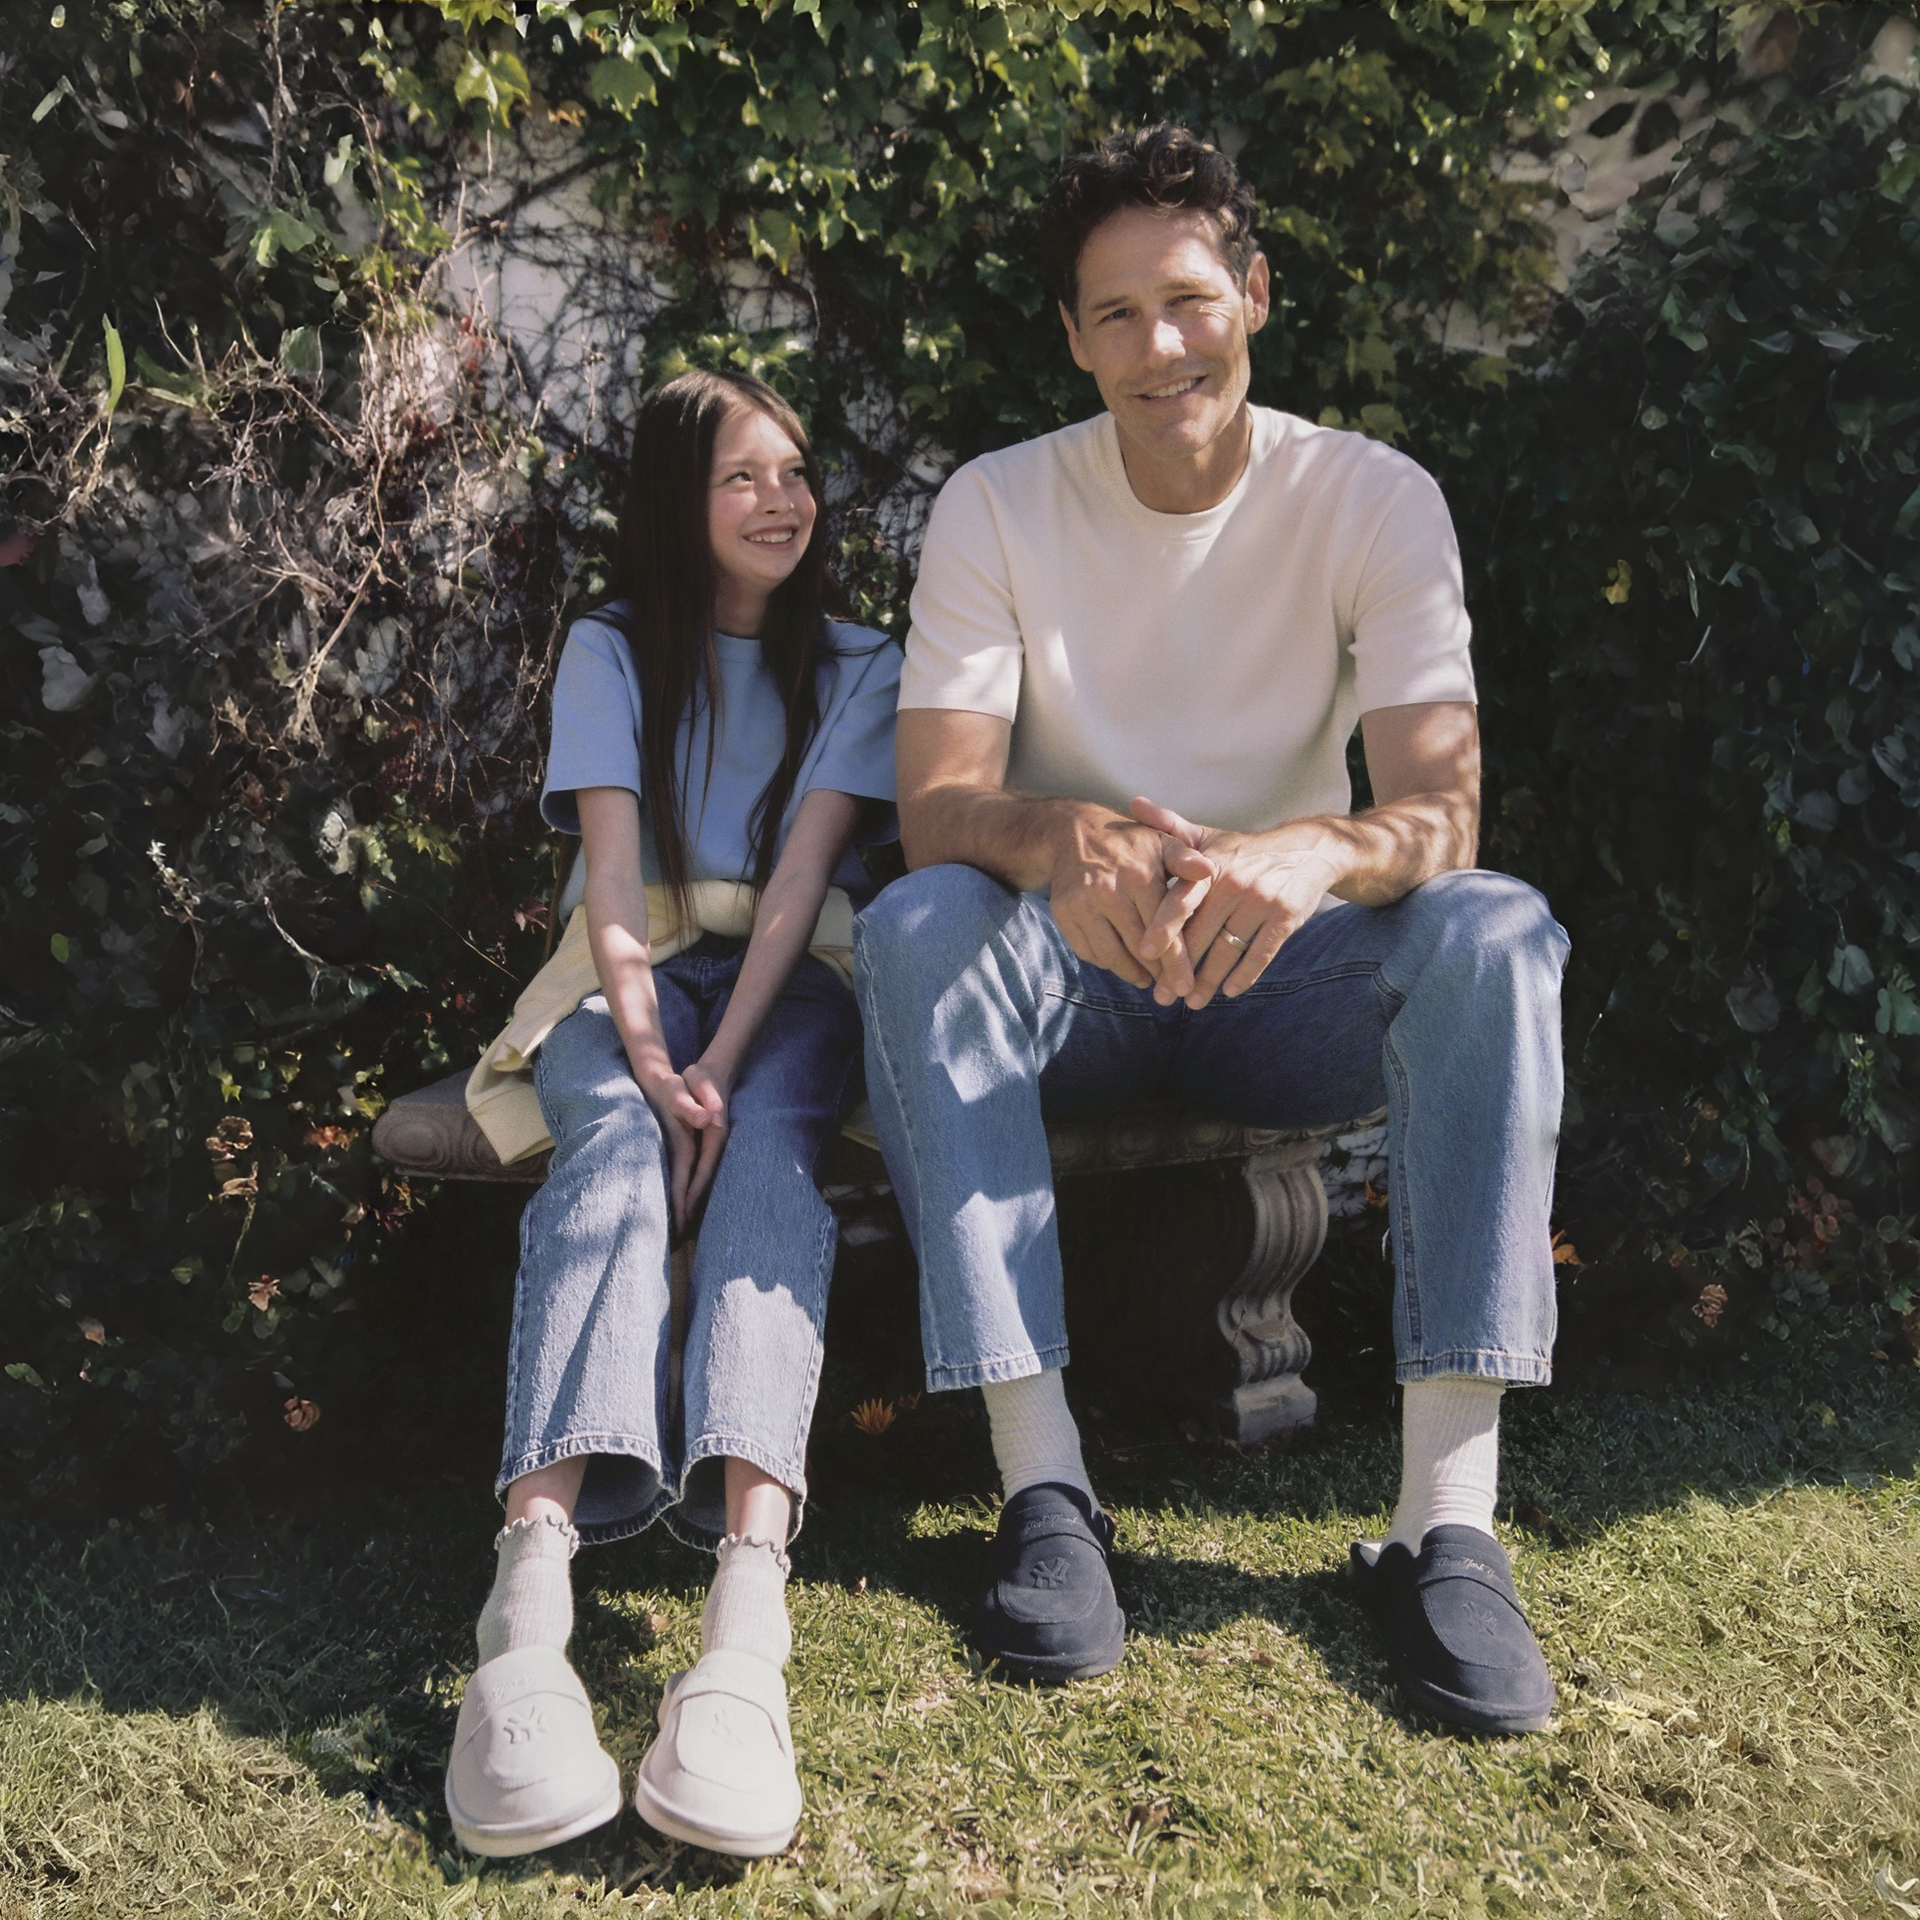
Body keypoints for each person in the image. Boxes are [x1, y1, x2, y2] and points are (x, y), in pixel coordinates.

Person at [853, 124, 1567, 1736]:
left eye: (1186, 299)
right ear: (1072, 337)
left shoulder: (1373, 498)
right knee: (913, 926)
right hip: (1073, 987)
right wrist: (1056, 835)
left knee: (1496, 930)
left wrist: (1316, 850)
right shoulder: (996, 506)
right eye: (1113, 315)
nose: (1157, 346)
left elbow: (1445, 816)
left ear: (1253, 293)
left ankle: (1444, 1525)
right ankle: (1045, 1495)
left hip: (1287, 980)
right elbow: (937, 808)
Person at [445, 369, 901, 1858]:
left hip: (789, 986)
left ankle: (746, 1622)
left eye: (796, 470)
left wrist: (726, 1065)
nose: (784, 499)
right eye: (741, 478)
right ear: (676, 505)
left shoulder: (856, 661)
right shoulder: (610, 649)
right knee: (618, 1160)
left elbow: (796, 888)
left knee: (769, 1152)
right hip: (621, 985)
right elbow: (616, 878)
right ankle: (526, 1605)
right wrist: (652, 1065)